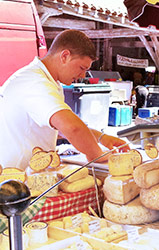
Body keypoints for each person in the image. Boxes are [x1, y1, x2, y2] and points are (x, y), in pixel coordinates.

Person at [0, 29, 129, 170]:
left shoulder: (49, 80)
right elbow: (71, 127)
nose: (83, 75)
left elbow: (59, 127)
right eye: (81, 67)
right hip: (16, 178)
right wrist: (96, 154)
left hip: (31, 173)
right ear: (65, 56)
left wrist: (101, 138)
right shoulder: (34, 82)